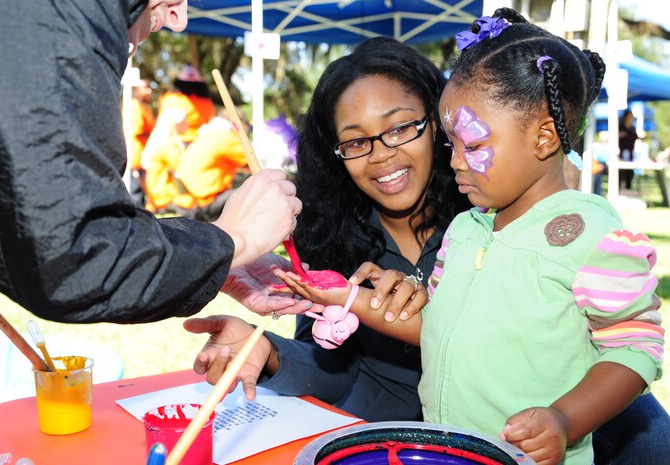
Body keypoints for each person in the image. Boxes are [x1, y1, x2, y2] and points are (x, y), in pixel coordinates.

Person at [268, 9, 665, 465]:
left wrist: (565, 420)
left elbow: (636, 345)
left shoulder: (590, 234)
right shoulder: (467, 228)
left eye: (471, 146)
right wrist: (344, 296)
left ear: (544, 138)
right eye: (451, 145)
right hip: (454, 453)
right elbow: (435, 326)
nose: (455, 162)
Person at [187, 36, 468, 422]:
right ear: (336, 154)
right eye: (355, 142)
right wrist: (267, 351)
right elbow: (331, 369)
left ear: (436, 124)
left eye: (400, 128)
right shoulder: (328, 234)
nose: (382, 153)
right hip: (370, 444)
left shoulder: (487, 223)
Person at [0, 0, 302, 324]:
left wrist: (213, 256)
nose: (180, 20)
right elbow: (71, 255)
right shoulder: (56, 15)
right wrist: (231, 240)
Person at [145, 107, 251, 221]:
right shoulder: (168, 147)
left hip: (177, 197)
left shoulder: (204, 136)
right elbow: (251, 162)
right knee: (249, 194)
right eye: (184, 121)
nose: (188, 123)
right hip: (174, 199)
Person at [124, 78, 157, 208]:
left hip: (141, 154)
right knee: (136, 191)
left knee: (142, 192)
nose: (149, 91)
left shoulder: (142, 106)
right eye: (146, 88)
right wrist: (154, 134)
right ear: (137, 89)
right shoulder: (134, 106)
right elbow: (136, 129)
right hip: (136, 154)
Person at [618, 109, 643, 190]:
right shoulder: (620, 127)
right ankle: (619, 188)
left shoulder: (632, 129)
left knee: (629, 173)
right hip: (621, 154)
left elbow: (636, 137)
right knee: (621, 173)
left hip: (630, 154)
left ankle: (628, 188)